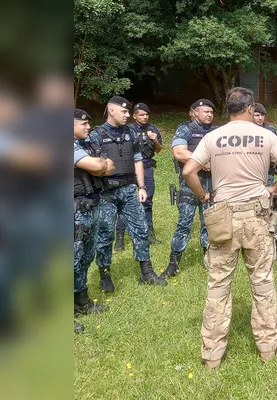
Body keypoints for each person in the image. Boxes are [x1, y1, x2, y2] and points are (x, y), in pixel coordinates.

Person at [184, 87, 277, 367]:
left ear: (228, 109)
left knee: (219, 284)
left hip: (223, 216)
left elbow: (188, 171)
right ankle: (267, 348)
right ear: (250, 109)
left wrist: (203, 195)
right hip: (258, 216)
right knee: (262, 281)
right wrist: (272, 189)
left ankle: (212, 355)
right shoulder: (266, 135)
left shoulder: (212, 137)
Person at [92, 96, 166, 292]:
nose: (127, 115)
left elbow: (137, 160)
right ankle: (105, 275)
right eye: (124, 112)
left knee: (140, 229)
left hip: (129, 189)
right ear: (111, 110)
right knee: (105, 235)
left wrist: (141, 187)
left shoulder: (130, 134)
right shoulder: (96, 135)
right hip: (106, 192)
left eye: (128, 111)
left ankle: (146, 272)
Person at [163, 99, 217, 278]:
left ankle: (208, 260)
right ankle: (173, 263)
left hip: (212, 184)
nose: (209, 114)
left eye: (211, 112)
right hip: (190, 184)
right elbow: (179, 152)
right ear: (195, 112)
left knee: (209, 223)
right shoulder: (185, 129)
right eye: (205, 111)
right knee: (184, 223)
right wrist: (203, 161)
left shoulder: (216, 131)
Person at [74, 108, 111, 333]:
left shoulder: (85, 145)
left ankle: (81, 301)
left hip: (88, 208)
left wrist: (102, 165)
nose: (89, 127)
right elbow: (100, 166)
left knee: (85, 257)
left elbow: (111, 165)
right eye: (83, 124)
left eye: (89, 123)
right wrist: (100, 166)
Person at [113, 102, 163, 251]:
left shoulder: (153, 129)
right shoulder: (126, 130)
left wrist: (154, 139)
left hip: (147, 168)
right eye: (141, 114)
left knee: (147, 200)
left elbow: (159, 150)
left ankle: (149, 233)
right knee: (124, 200)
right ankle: (120, 238)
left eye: (147, 114)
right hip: (128, 168)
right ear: (134, 116)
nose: (145, 117)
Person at [253, 103, 277, 258]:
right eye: (256, 115)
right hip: (251, 176)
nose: (260, 118)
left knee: (274, 207)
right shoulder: (246, 131)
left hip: (267, 175)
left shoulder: (271, 130)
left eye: (262, 115)